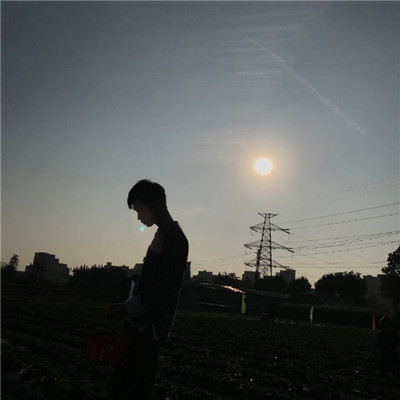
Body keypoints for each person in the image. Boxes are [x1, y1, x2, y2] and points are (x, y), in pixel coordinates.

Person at [106, 179, 189, 400]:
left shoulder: (175, 237)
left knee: (135, 387)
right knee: (127, 384)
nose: (139, 217)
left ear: (154, 204)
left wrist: (128, 308)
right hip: (141, 325)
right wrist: (127, 305)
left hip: (150, 328)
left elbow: (169, 286)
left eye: (139, 209)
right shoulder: (163, 234)